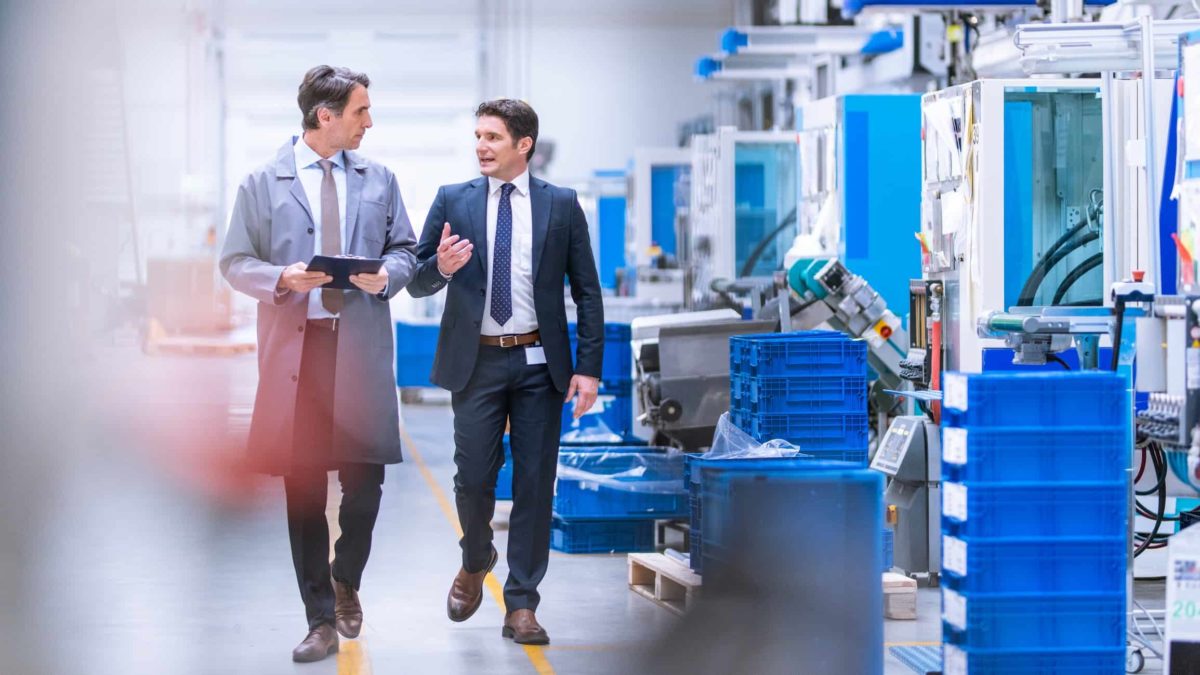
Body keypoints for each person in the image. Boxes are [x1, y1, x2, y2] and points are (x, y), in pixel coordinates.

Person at [219, 65, 417, 663]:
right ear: (324, 117)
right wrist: (277, 277)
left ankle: (345, 576)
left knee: (365, 479)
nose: (369, 122)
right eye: (360, 111)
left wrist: (388, 276)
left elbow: (406, 249)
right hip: (297, 353)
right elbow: (233, 260)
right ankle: (320, 619)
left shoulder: (380, 179)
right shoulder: (262, 182)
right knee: (303, 486)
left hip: (359, 346)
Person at [407, 99, 604, 645]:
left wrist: (588, 369)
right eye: (477, 136)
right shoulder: (454, 200)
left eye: (493, 137)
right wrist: (438, 269)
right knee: (472, 478)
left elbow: (587, 292)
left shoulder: (561, 206)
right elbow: (417, 279)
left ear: (524, 145)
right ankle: (476, 559)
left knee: (537, 483)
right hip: (477, 362)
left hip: (541, 364)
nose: (481, 147)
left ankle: (522, 602)